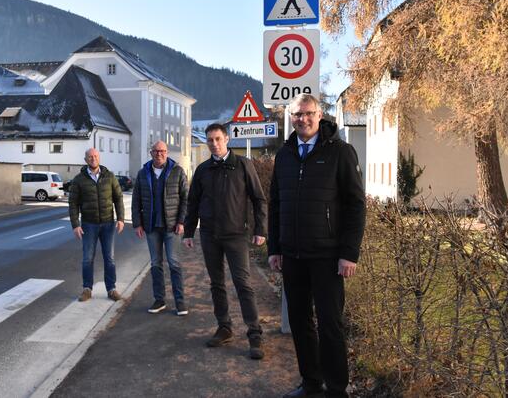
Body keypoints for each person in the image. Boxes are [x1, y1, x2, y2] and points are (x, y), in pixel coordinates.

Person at [268, 94, 366, 398]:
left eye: (308, 113)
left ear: (319, 114)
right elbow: (276, 204)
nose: (303, 119)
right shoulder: (284, 155)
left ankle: (337, 389)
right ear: (291, 117)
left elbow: (356, 205)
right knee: (299, 322)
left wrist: (349, 253)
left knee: (330, 324)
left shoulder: (339, 152)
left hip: (327, 256)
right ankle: (311, 383)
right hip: (293, 255)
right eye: (297, 114)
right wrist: (274, 248)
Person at [183, 123, 268, 360]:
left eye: (218, 139)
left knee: (243, 284)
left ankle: (254, 333)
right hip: (209, 234)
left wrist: (260, 229)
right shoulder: (202, 170)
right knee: (216, 284)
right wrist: (188, 232)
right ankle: (224, 327)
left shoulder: (242, 165)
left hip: (236, 235)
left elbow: (259, 199)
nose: (214, 144)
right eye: (210, 140)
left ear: (227, 139)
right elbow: (193, 203)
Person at [132, 140, 189, 316]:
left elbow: (186, 199)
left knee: (174, 263)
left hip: (171, 226)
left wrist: (181, 222)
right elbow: (136, 201)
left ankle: (180, 301)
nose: (159, 154)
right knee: (156, 264)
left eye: (162, 151)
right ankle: (159, 299)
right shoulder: (143, 173)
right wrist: (137, 223)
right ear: (151, 153)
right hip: (151, 227)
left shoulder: (177, 172)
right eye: (156, 151)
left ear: (167, 153)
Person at [69, 148, 125, 302]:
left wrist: (121, 218)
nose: (93, 159)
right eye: (90, 157)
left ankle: (111, 289)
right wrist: (75, 224)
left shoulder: (110, 176)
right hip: (88, 224)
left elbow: (118, 198)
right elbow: (73, 203)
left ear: (99, 158)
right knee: (87, 258)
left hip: (108, 223)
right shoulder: (79, 179)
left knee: (110, 258)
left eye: (95, 156)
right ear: (86, 159)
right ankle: (87, 289)